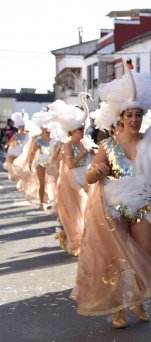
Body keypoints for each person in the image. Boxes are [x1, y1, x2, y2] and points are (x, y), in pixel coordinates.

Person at [70, 65, 151, 329]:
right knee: (118, 258)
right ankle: (119, 308)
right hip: (113, 209)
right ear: (121, 116)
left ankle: (138, 299)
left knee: (146, 258)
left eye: (138, 115)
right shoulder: (108, 146)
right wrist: (96, 171)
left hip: (143, 208)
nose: (134, 120)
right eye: (129, 114)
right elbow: (89, 179)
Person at [52, 100, 91, 256]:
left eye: (83, 128)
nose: (82, 131)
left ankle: (85, 239)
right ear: (72, 131)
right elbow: (70, 165)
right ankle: (74, 239)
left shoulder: (84, 142)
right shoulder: (68, 145)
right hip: (73, 181)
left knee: (88, 211)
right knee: (77, 212)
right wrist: (83, 153)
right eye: (79, 129)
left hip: (87, 179)